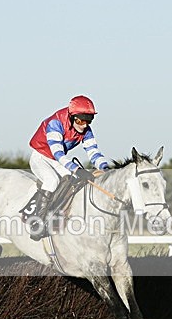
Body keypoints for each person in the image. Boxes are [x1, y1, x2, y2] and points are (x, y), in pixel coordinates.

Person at [27, 95, 111, 239]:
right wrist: (78, 169)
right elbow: (58, 153)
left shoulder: (86, 130)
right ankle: (37, 222)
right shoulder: (55, 123)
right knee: (52, 181)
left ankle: (60, 214)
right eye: (80, 120)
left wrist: (106, 169)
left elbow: (93, 152)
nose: (84, 125)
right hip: (41, 157)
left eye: (89, 120)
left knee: (73, 180)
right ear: (71, 117)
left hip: (56, 160)